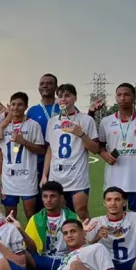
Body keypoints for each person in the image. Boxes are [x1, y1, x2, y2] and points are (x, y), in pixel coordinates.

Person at [42, 83, 99, 220]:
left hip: (77, 176)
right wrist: (44, 175)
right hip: (56, 176)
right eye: (60, 96)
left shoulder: (86, 120)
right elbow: (50, 150)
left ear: (75, 98)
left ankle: (88, 241)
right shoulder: (52, 122)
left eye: (67, 95)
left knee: (81, 212)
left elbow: (95, 149)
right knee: (58, 215)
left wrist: (81, 135)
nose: (63, 99)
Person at [99, 83, 136, 211]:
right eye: (119, 95)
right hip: (114, 182)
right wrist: (104, 155)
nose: (122, 98)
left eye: (126, 95)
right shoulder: (106, 121)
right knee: (117, 224)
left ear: (134, 97)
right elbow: (100, 146)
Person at [0, 92, 46, 220]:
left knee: (30, 213)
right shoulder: (3, 127)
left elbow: (41, 150)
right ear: (9, 106)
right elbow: (0, 154)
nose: (16, 108)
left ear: (26, 106)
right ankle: (13, 240)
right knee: (10, 215)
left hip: (27, 178)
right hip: (8, 179)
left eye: (20, 105)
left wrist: (24, 142)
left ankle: (32, 239)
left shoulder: (33, 125)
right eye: (13, 104)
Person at [23, 181, 77, 270]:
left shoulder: (73, 218)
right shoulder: (35, 219)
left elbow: (81, 246)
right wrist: (19, 229)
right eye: (45, 196)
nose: (48, 200)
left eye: (52, 196)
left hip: (66, 259)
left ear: (61, 198)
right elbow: (30, 248)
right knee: (22, 254)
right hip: (43, 260)